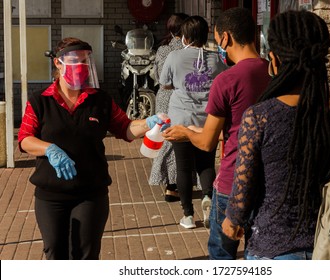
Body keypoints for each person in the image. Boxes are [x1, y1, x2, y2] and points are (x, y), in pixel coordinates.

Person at [221, 10, 330, 260]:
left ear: (274, 61)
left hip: (271, 251)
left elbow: (242, 194)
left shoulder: (259, 117)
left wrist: (232, 222)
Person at [17, 37, 167, 260]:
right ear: (58, 63)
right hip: (51, 195)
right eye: (75, 62)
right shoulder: (40, 100)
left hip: (90, 192)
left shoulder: (101, 100)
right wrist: (50, 149)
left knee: (85, 254)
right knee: (54, 251)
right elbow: (25, 138)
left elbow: (125, 129)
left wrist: (148, 123)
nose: (82, 68)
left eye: (85, 62)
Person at [162, 7, 270, 259]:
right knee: (259, 253)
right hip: (266, 180)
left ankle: (188, 212)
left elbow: (208, 141)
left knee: (222, 255)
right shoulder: (272, 72)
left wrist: (186, 133)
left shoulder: (228, 78)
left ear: (225, 38)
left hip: (233, 180)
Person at [159, 15, 227, 229]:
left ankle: (188, 215)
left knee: (183, 167)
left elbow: (164, 83)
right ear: (205, 34)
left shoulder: (174, 56)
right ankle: (207, 197)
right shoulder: (216, 59)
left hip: (181, 119)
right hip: (207, 120)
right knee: (206, 163)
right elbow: (224, 83)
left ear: (185, 36)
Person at [149, 13, 189, 202]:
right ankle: (173, 185)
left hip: (163, 97)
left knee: (165, 137)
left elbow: (158, 76)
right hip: (181, 97)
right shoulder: (189, 49)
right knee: (179, 138)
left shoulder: (163, 49)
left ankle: (170, 183)